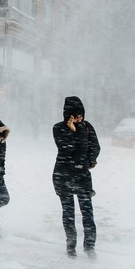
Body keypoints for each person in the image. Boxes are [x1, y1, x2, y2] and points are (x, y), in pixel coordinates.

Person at [52, 96, 101, 258]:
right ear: (68, 115)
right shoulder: (58, 128)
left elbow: (95, 147)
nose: (80, 119)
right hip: (63, 175)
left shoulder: (87, 127)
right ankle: (71, 245)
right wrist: (73, 131)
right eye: (76, 116)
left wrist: (87, 162)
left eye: (82, 115)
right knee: (68, 213)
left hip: (82, 176)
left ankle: (89, 247)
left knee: (87, 213)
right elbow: (65, 149)